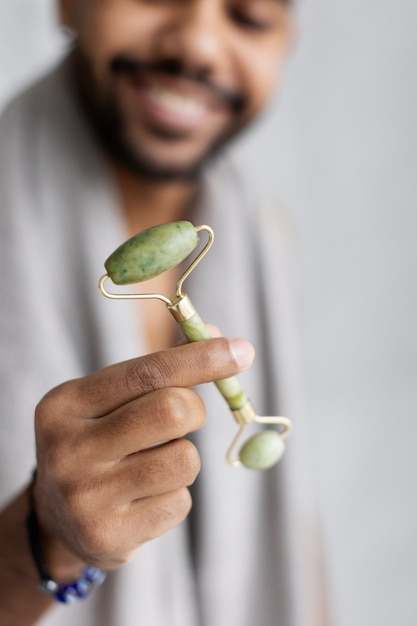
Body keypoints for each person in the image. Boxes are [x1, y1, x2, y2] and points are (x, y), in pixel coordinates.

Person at [0, 1, 327, 625]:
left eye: (250, 16)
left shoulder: (266, 238)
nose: (197, 46)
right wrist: (47, 543)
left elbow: (297, 542)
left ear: (285, 42)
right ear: (68, 4)